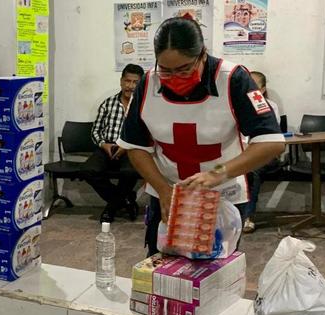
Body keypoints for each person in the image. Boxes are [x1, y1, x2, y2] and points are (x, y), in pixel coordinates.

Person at [118, 17, 285, 256]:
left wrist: (216, 174)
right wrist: (163, 190)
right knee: (162, 272)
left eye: (184, 69)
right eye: (166, 70)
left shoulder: (233, 79)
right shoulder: (147, 82)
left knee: (213, 274)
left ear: (202, 55)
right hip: (166, 195)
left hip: (221, 197)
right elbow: (135, 146)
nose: (174, 77)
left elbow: (271, 142)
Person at [83, 63, 144, 223]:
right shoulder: (108, 103)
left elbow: (146, 134)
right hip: (107, 146)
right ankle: (124, 200)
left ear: (141, 84)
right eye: (127, 81)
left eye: (135, 82)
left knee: (130, 173)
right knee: (89, 171)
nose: (130, 86)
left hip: (131, 149)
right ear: (121, 81)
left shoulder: (144, 107)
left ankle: (111, 207)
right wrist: (103, 144)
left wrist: (126, 146)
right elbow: (95, 130)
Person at [241, 71, 282, 234]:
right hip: (240, 153)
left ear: (263, 89)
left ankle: (248, 217)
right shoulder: (237, 105)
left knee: (253, 169)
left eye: (254, 86)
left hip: (264, 154)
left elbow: (270, 137)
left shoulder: (270, 107)